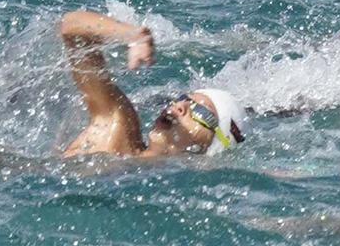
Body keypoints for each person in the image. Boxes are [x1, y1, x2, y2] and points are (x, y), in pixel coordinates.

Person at [57, 11, 247, 158]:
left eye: (201, 113)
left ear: (211, 145)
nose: (179, 106)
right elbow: (71, 27)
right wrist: (132, 35)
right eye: (184, 99)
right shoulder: (116, 129)